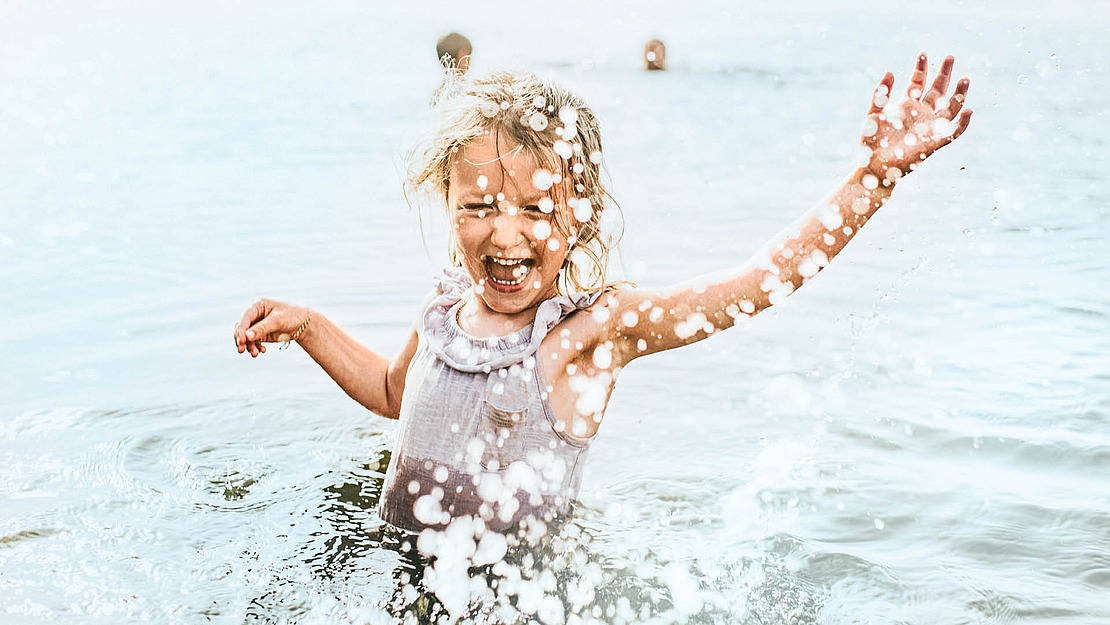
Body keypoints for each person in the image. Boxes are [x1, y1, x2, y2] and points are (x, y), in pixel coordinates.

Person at [234, 54, 971, 543]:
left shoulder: (588, 332)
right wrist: (310, 327)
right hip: (396, 566)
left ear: (580, 209)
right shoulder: (444, 310)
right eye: (479, 206)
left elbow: (753, 285)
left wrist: (874, 178)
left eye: (536, 207)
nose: (506, 231)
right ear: (445, 200)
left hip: (512, 598)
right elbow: (396, 392)